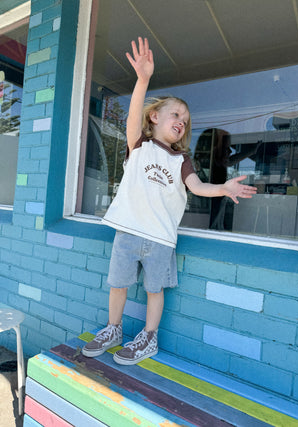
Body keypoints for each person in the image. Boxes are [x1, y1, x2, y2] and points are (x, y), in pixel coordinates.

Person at [82, 37, 257, 365]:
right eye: (175, 113)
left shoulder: (182, 160)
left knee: (154, 290)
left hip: (161, 238)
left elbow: (198, 186)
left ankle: (149, 337)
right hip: (128, 232)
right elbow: (132, 115)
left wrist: (223, 188)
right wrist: (143, 80)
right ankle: (113, 328)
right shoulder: (139, 146)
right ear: (155, 118)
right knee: (118, 284)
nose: (181, 121)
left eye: (186, 120)